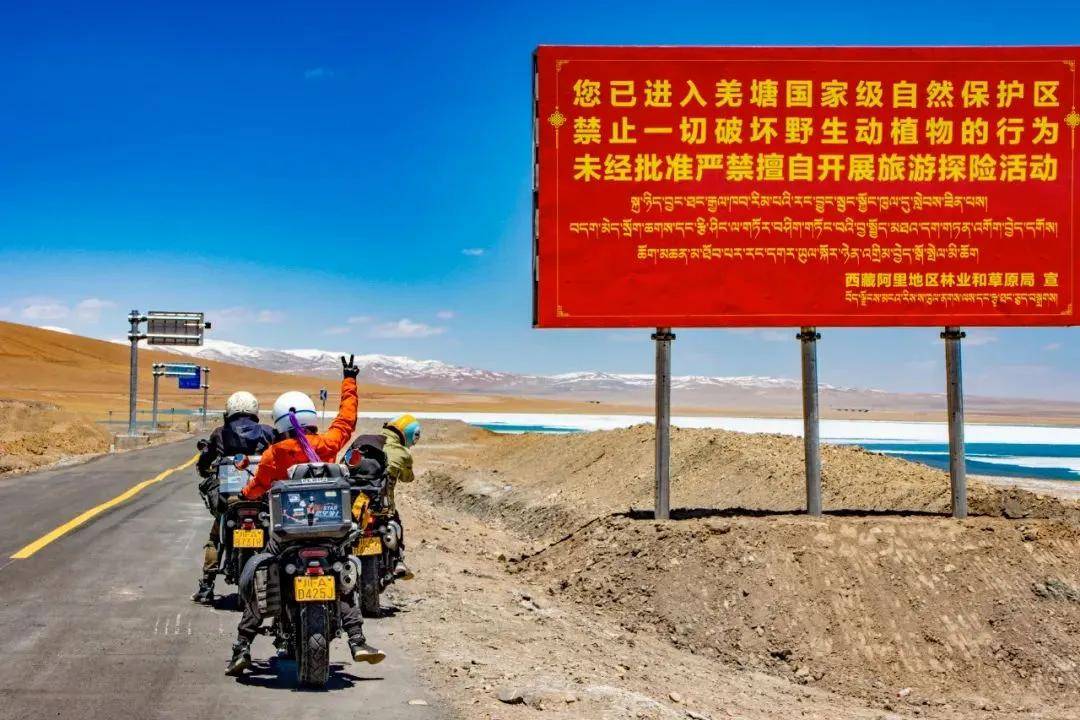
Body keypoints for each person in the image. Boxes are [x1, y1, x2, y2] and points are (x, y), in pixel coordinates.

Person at [226, 355, 385, 676]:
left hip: (287, 536)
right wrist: (349, 379)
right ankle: (357, 639)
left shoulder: (274, 454)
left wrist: (242, 495)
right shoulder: (328, 443)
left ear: (279, 421)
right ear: (311, 416)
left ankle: (242, 647)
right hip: (330, 533)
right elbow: (346, 419)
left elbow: (256, 488)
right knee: (341, 578)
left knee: (263, 576)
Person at [192, 391, 275, 604]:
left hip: (231, 499)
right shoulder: (267, 432)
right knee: (276, 534)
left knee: (215, 537)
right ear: (254, 410)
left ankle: (206, 586)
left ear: (229, 410)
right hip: (260, 496)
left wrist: (205, 467)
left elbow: (205, 460)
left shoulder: (220, 433)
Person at [348, 413, 420, 579]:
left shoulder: (363, 442)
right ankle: (398, 561)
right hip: (382, 505)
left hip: (355, 504)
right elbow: (407, 478)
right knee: (396, 522)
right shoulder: (403, 453)